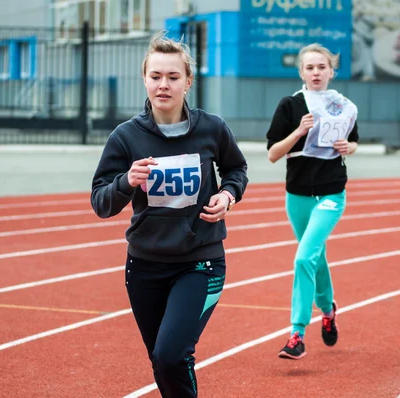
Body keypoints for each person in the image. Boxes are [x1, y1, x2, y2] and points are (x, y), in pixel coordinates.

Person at [91, 31, 248, 397]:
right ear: (144, 79)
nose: (164, 85)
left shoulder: (212, 128)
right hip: (144, 264)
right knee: (163, 361)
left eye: (173, 77)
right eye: (156, 76)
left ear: (188, 82)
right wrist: (127, 181)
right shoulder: (125, 137)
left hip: (200, 261)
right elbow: (101, 202)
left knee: (171, 356)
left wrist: (228, 195)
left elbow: (236, 170)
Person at [265, 43, 359, 360]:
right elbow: (273, 154)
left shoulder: (343, 106)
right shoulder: (290, 105)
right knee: (315, 258)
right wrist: (297, 132)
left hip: (331, 193)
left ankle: (297, 333)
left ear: (332, 71)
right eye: (310, 67)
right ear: (302, 72)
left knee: (304, 258)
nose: (316, 72)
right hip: (298, 196)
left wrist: (350, 147)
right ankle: (328, 308)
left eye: (322, 67)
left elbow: (354, 141)